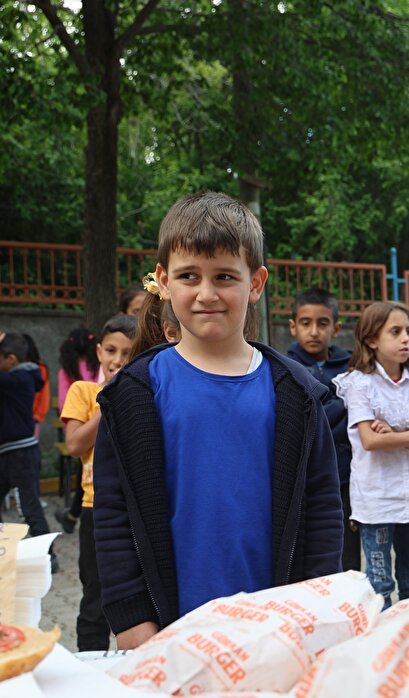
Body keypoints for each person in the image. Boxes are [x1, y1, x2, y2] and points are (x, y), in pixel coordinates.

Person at [93, 191, 343, 650]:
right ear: (164, 281)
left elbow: (324, 508)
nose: (206, 293)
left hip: (278, 630)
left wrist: (317, 611)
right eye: (189, 276)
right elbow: (112, 513)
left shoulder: (298, 394)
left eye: (225, 276)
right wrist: (132, 621)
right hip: (168, 633)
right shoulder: (132, 394)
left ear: (256, 283)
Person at [334, 302, 409, 606]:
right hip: (377, 499)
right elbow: (369, 440)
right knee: (379, 584)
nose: (405, 338)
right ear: (372, 340)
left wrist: (392, 435)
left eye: (408, 331)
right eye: (395, 332)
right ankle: (381, 632)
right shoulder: (360, 384)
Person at [61, 315, 135, 651]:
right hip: (95, 508)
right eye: (111, 350)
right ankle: (89, 663)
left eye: (128, 354)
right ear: (99, 352)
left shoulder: (141, 395)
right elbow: (75, 444)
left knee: (135, 592)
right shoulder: (84, 391)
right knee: (95, 593)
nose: (117, 360)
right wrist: (107, 402)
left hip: (134, 507)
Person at [285, 286, 360, 571]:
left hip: (348, 477)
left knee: (349, 553)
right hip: (306, 477)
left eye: (323, 323)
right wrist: (345, 404)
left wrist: (327, 409)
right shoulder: (286, 369)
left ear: (336, 328)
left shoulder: (352, 367)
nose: (314, 331)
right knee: (312, 551)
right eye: (306, 323)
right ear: (293, 326)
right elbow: (305, 421)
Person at [0, 332, 54, 558]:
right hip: (10, 452)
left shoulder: (19, 379)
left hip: (20, 453)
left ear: (11, 359)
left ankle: (49, 557)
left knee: (29, 507)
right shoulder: (17, 378)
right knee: (29, 506)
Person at [54, 327, 101, 534]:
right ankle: (73, 515)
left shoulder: (66, 371)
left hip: (79, 425)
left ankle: (72, 515)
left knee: (87, 468)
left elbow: (63, 403)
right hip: (99, 423)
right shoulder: (95, 367)